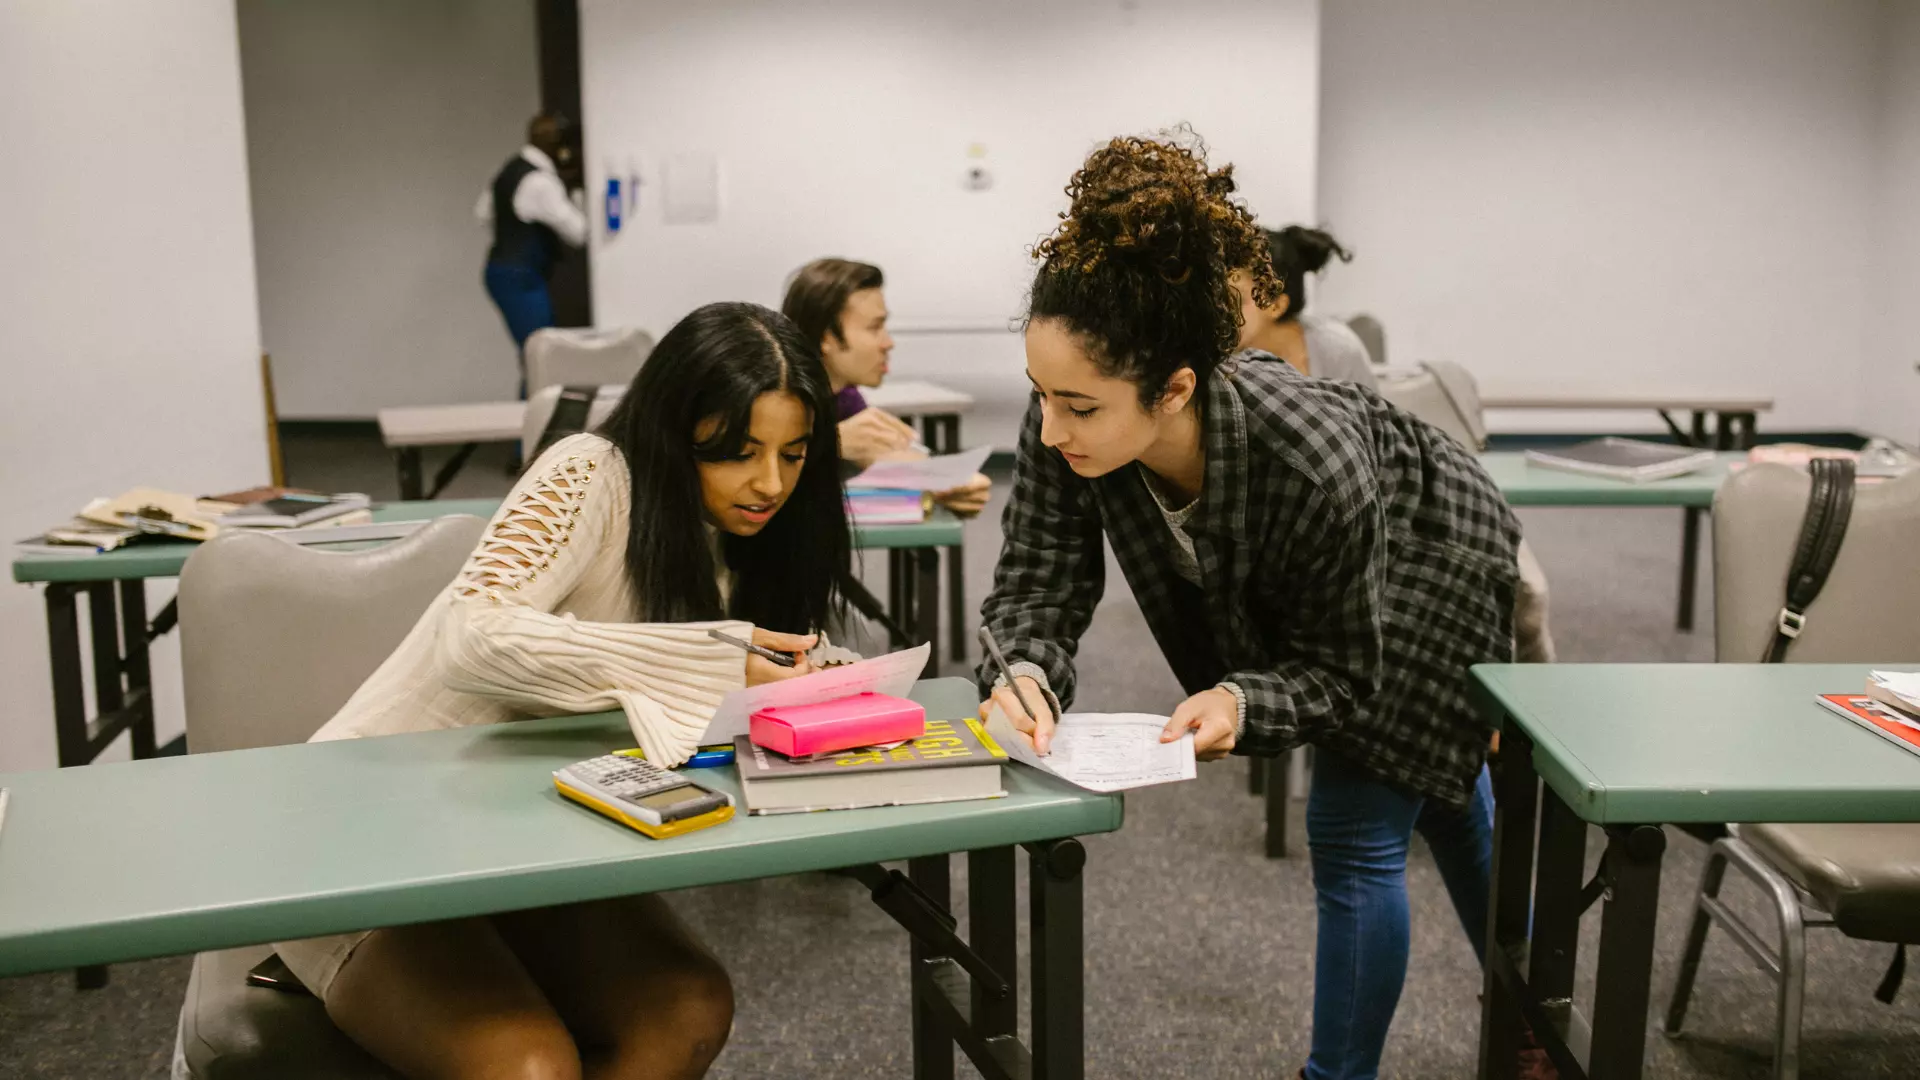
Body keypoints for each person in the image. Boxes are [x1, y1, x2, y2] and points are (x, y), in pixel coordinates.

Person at [977, 134, 1533, 1080]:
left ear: (1176, 388)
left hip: (1433, 555)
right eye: (1041, 396)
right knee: (1441, 790)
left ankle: (1359, 1069)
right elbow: (1038, 579)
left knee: (1357, 824)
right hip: (1328, 564)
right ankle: (1533, 1012)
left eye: (1076, 406)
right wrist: (1023, 670)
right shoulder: (1068, 416)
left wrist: (1244, 700)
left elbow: (1341, 671)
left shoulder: (1311, 461)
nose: (1047, 426)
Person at [274, 302, 850, 1080]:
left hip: (523, 849)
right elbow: (472, 635)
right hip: (368, 842)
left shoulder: (735, 536)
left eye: (794, 453)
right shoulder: (591, 471)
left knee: (686, 1014)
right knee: (530, 1067)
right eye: (737, 452)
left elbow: (699, 695)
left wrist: (806, 679)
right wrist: (712, 660)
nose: (770, 482)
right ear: (675, 431)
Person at [781, 258, 992, 515]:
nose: (888, 343)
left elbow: (880, 455)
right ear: (827, 336)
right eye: (875, 327)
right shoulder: (775, 396)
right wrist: (830, 441)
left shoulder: (845, 398)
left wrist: (952, 484)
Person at [478, 111, 590, 395]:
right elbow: (579, 232)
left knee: (536, 356)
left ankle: (529, 432)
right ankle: (531, 435)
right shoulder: (540, 182)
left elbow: (482, 214)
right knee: (542, 357)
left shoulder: (510, 170)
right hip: (521, 276)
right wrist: (578, 193)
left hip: (502, 269)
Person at [1230, 225, 1377, 387]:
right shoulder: (1222, 358)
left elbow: (1372, 412)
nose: (1223, 309)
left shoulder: (1338, 351)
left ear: (1277, 306)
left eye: (1236, 299)